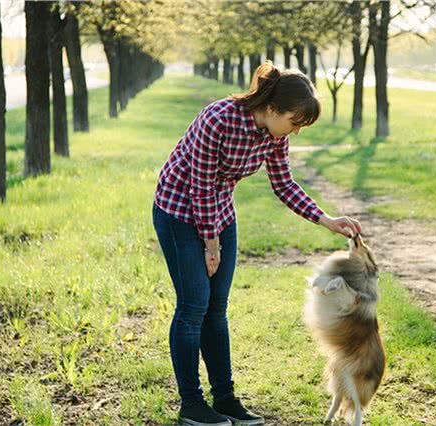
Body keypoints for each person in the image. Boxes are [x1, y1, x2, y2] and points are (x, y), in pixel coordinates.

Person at [152, 63, 362, 426]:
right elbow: (199, 184)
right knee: (193, 306)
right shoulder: (218, 118)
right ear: (270, 109)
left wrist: (325, 219)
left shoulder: (274, 135)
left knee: (216, 308)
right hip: (179, 212)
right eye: (294, 122)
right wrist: (210, 243)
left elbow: (284, 184)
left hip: (219, 213)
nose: (294, 131)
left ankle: (226, 399)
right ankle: (191, 404)